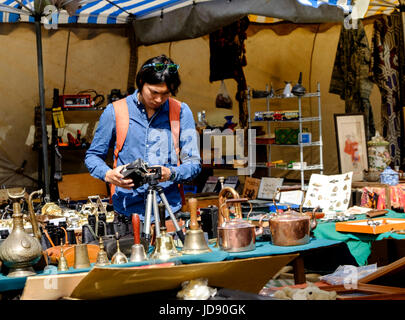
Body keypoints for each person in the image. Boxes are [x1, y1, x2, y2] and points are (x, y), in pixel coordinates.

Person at [85, 54, 201, 221]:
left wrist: (172, 173)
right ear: (141, 83)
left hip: (169, 213)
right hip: (127, 212)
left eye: (166, 94)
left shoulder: (181, 112)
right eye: (153, 92)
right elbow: (92, 156)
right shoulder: (115, 112)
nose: (159, 99)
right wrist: (108, 174)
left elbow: (193, 164)